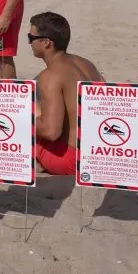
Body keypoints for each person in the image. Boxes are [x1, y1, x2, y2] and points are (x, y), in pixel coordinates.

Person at [28, 11, 105, 175]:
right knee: (41, 107)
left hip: (69, 159)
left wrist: (15, 120)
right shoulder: (85, 63)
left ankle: (41, 162)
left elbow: (51, 131)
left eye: (31, 38)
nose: (29, 43)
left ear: (46, 42)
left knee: (24, 112)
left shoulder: (51, 75)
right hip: (99, 155)